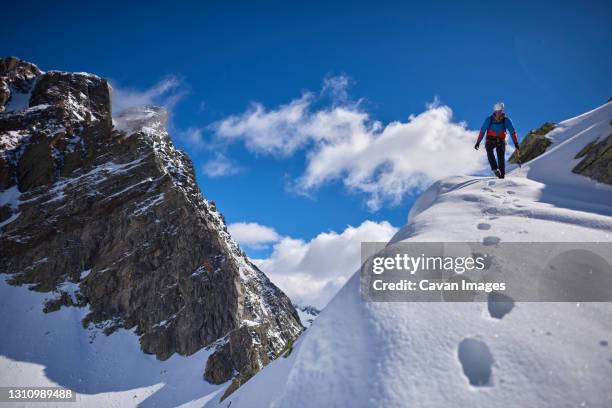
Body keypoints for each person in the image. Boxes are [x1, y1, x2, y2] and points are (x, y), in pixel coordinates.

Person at [474, 102, 519, 179]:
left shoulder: (506, 120)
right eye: (496, 110)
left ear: (502, 110)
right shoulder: (489, 119)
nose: (498, 112)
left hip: (501, 141)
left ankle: (501, 177)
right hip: (490, 140)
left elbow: (512, 132)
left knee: (501, 158)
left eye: (499, 110)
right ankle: (495, 169)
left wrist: (516, 143)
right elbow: (482, 131)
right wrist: (478, 142)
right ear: (494, 111)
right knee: (489, 152)